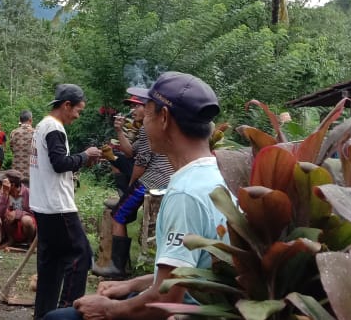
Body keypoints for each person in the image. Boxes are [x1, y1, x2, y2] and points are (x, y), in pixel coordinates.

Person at [43, 71, 228, 320]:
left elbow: (167, 298)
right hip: (197, 304)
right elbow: (188, 271)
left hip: (183, 312)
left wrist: (110, 309)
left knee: (58, 318)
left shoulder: (185, 194)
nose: (142, 122)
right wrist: (131, 285)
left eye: (148, 113)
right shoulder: (215, 176)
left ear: (164, 117)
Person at [30, 83, 103, 319]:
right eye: (77, 110)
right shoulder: (54, 128)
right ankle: (67, 314)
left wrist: (81, 161)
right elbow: (59, 163)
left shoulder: (42, 126)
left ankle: (44, 314)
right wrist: (85, 155)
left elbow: (56, 163)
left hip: (43, 204)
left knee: (51, 263)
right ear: (66, 105)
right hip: (57, 206)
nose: (77, 116)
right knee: (81, 255)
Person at [91, 93, 174, 278]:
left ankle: (117, 268)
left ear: (149, 108)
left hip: (153, 179)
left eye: (137, 106)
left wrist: (130, 187)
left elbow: (141, 162)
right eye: (132, 106)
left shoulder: (147, 128)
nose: (133, 110)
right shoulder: (157, 125)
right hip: (167, 178)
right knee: (118, 161)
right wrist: (120, 131)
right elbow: (130, 152)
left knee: (117, 216)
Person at [0, 170, 35, 246]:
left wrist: (17, 214)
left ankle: (29, 241)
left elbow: (34, 213)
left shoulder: (28, 193)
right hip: (11, 224)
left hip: (26, 224)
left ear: (12, 185)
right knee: (6, 214)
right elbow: (0, 212)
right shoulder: (5, 192)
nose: (3, 184)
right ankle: (11, 240)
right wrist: (5, 195)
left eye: (5, 182)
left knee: (26, 220)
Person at [9, 110, 34, 178]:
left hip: (16, 175)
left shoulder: (13, 133)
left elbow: (12, 149)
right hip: (31, 174)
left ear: (20, 120)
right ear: (30, 120)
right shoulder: (36, 133)